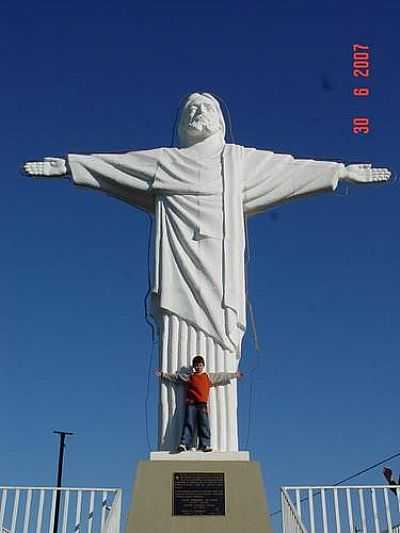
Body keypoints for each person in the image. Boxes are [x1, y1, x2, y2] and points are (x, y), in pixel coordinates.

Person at [23, 92, 391, 452]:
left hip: (221, 279)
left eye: (206, 107)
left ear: (220, 120)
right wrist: (71, 166)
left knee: (222, 354)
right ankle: (179, 449)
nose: (197, 112)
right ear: (181, 122)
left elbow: (290, 169)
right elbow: (117, 166)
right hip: (177, 276)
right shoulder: (164, 162)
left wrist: (339, 173)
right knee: (176, 349)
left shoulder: (237, 162)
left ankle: (215, 449)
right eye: (190, 108)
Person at [156, 355, 243, 452]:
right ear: (194, 367)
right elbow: (177, 377)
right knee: (189, 423)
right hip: (191, 404)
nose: (198, 367)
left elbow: (221, 376)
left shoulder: (208, 377)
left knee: (204, 424)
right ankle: (184, 444)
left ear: (203, 366)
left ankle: (205, 444)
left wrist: (234, 375)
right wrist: (163, 375)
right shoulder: (190, 377)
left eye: (200, 365)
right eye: (196, 365)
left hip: (202, 404)